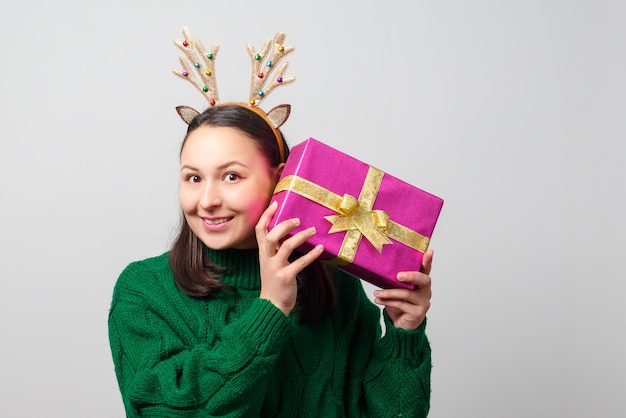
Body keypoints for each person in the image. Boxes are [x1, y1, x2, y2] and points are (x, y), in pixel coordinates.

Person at [108, 104, 434, 417]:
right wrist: (271, 307)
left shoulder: (338, 288)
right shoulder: (144, 292)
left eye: (231, 176)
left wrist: (405, 334)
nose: (207, 201)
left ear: (280, 180)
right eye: (194, 178)